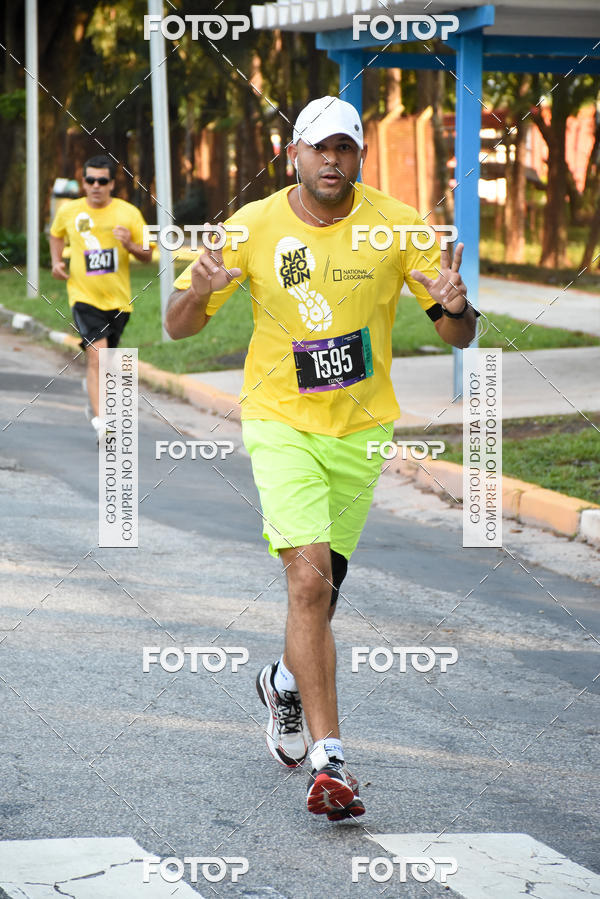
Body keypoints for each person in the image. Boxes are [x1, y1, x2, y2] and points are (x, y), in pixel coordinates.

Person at [165, 96, 476, 821]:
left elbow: (457, 333)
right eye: (319, 148)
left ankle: (282, 680)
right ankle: (329, 759)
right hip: (280, 423)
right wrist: (198, 292)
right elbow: (177, 327)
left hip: (360, 431)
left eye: (345, 148)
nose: (332, 160)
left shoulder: (397, 225)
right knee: (307, 582)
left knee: (322, 592)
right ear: (294, 155)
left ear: (358, 156)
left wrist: (457, 306)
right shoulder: (252, 226)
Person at [50, 155, 152, 440]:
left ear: (111, 184)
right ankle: (102, 423)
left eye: (102, 181)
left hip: (118, 301)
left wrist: (129, 244)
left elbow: (147, 254)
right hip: (83, 297)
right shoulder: (70, 212)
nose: (96, 186)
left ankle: (94, 400)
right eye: (91, 180)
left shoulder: (128, 213)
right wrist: (56, 261)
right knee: (98, 356)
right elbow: (56, 234)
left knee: (105, 361)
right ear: (83, 183)